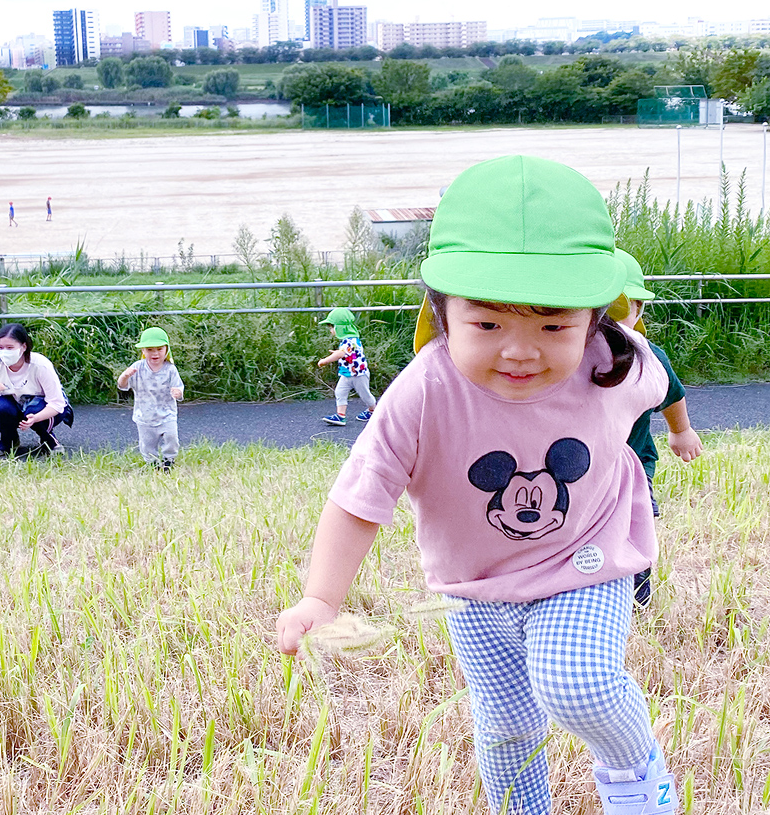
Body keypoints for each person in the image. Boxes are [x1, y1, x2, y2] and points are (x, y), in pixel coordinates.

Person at [276, 156, 679, 815]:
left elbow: (661, 388)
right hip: (473, 587)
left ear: (592, 318)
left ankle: (637, 776)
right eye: (488, 324)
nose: (520, 350)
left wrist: (672, 436)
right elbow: (360, 495)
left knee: (577, 684)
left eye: (552, 325)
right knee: (506, 724)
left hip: (583, 556)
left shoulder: (614, 361)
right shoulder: (425, 391)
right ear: (441, 309)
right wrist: (321, 598)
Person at [609, 249, 702, 607]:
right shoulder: (564, 353)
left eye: (617, 311)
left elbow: (671, 394)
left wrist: (681, 431)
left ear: (639, 311)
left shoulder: (648, 355)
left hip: (633, 465)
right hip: (582, 466)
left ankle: (637, 596)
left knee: (634, 526)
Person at [0, 323, 72, 457]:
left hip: (44, 408)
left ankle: (49, 440)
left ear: (23, 347)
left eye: (10, 347)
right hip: (15, 405)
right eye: (1, 347)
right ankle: (8, 442)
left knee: (34, 409)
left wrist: (36, 418)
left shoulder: (40, 365)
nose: (4, 352)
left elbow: (57, 403)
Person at [117, 326, 184, 469]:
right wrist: (125, 376)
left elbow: (179, 386)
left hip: (167, 414)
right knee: (147, 443)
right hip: (145, 415)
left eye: (159, 349)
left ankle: (168, 461)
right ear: (143, 351)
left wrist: (178, 392)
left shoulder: (170, 369)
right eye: (150, 350)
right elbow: (123, 385)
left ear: (167, 349)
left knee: (172, 438)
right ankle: (152, 463)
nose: (155, 354)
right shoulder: (137, 367)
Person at [316, 307, 377, 426]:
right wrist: (338, 353)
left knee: (365, 395)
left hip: (358, 374)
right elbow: (346, 352)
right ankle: (340, 416)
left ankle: (373, 410)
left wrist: (325, 361)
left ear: (340, 327)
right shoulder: (347, 341)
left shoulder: (350, 340)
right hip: (346, 373)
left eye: (332, 327)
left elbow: (342, 353)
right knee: (340, 392)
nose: (331, 330)